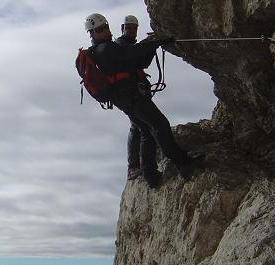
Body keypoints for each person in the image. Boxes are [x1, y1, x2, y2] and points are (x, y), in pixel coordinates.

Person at [84, 13, 203, 187]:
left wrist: (152, 45)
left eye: (106, 27)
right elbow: (131, 52)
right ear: (92, 34)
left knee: (147, 130)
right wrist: (158, 42)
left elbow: (135, 60)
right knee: (160, 125)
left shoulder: (103, 49)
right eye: (100, 30)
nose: (105, 31)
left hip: (125, 98)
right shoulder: (106, 49)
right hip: (130, 96)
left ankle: (151, 176)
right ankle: (184, 164)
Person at [115, 15, 147, 181]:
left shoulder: (128, 45)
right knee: (138, 126)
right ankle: (134, 166)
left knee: (137, 127)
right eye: (129, 28)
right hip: (129, 95)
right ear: (123, 28)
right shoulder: (120, 45)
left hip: (134, 92)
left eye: (134, 28)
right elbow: (132, 59)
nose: (131, 31)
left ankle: (136, 164)